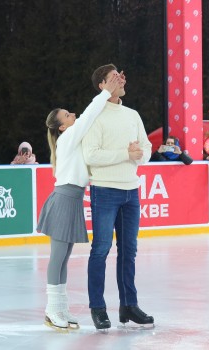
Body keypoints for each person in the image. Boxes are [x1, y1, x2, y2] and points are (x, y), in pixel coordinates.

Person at [37, 73, 120, 331]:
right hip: (64, 200)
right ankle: (52, 310)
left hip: (71, 200)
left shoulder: (71, 140)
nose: (73, 115)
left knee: (64, 258)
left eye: (71, 113)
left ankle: (60, 309)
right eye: (68, 115)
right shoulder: (68, 138)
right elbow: (88, 115)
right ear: (62, 126)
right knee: (58, 257)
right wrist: (106, 92)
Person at [81, 63, 154, 330]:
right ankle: (98, 307)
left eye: (121, 76)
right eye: (114, 77)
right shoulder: (94, 117)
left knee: (129, 251)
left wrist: (139, 155)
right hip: (105, 189)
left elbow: (145, 147)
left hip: (131, 190)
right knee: (100, 249)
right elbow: (91, 156)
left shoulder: (132, 114)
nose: (121, 79)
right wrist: (126, 154)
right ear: (102, 85)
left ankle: (128, 305)